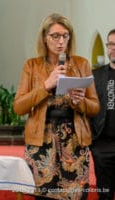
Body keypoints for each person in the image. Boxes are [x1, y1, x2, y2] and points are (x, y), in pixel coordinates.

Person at [13, 13, 100, 200]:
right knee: (44, 196)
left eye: (65, 36)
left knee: (75, 196)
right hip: (41, 142)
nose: (61, 41)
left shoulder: (81, 64)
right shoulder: (32, 65)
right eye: (55, 36)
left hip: (75, 143)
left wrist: (80, 102)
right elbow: (19, 108)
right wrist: (46, 85)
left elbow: (95, 107)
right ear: (44, 38)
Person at [90, 29, 115, 200]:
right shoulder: (95, 75)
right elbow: (88, 107)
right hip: (102, 146)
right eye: (110, 44)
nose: (113, 48)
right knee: (104, 194)